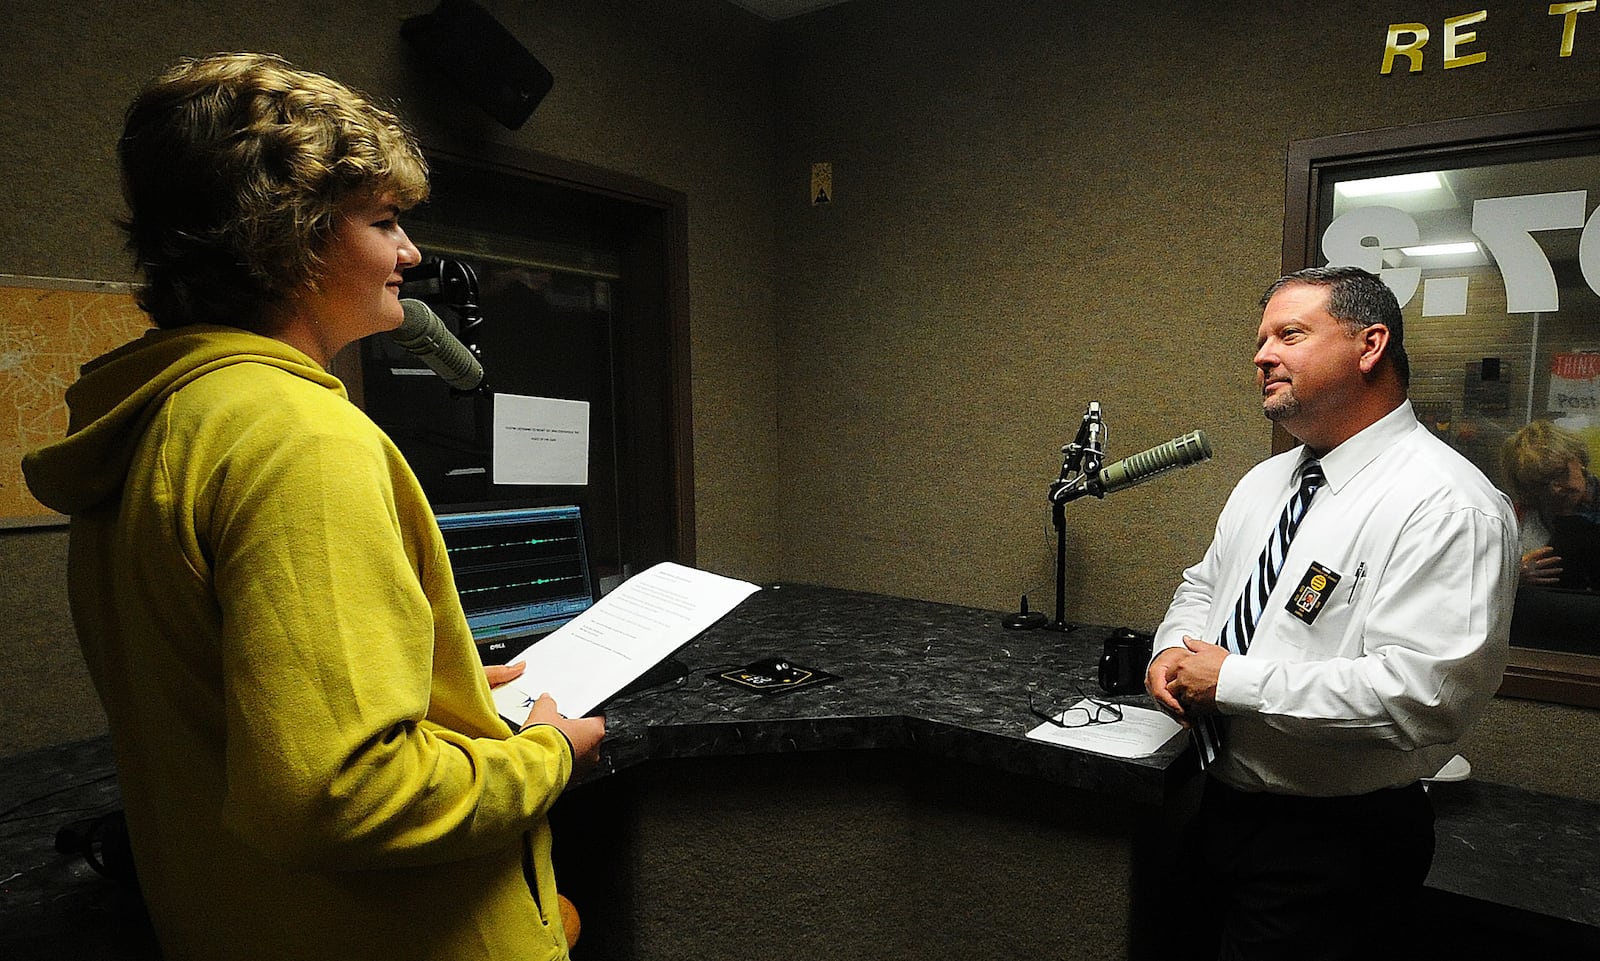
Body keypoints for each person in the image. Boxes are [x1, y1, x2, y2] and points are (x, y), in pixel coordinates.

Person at [22, 53, 604, 961]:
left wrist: (427, 684)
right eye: (383, 222)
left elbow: (235, 705)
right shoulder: (301, 437)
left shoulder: (165, 422)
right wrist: (548, 754)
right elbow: (344, 793)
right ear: (285, 238)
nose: (410, 253)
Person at [1146, 265, 1517, 960]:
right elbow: (1204, 585)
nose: (1262, 355)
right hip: (1218, 807)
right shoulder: (1268, 480)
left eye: (1290, 333)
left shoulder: (1446, 503)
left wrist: (1230, 681)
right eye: (1261, 340)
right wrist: (1170, 651)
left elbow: (1423, 696)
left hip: (1337, 843)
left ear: (1370, 344)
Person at [1500, 419, 1600, 589]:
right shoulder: (1517, 519)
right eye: (1541, 483)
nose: (1556, 489)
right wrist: (1513, 577)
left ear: (1578, 459)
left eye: (1560, 473)